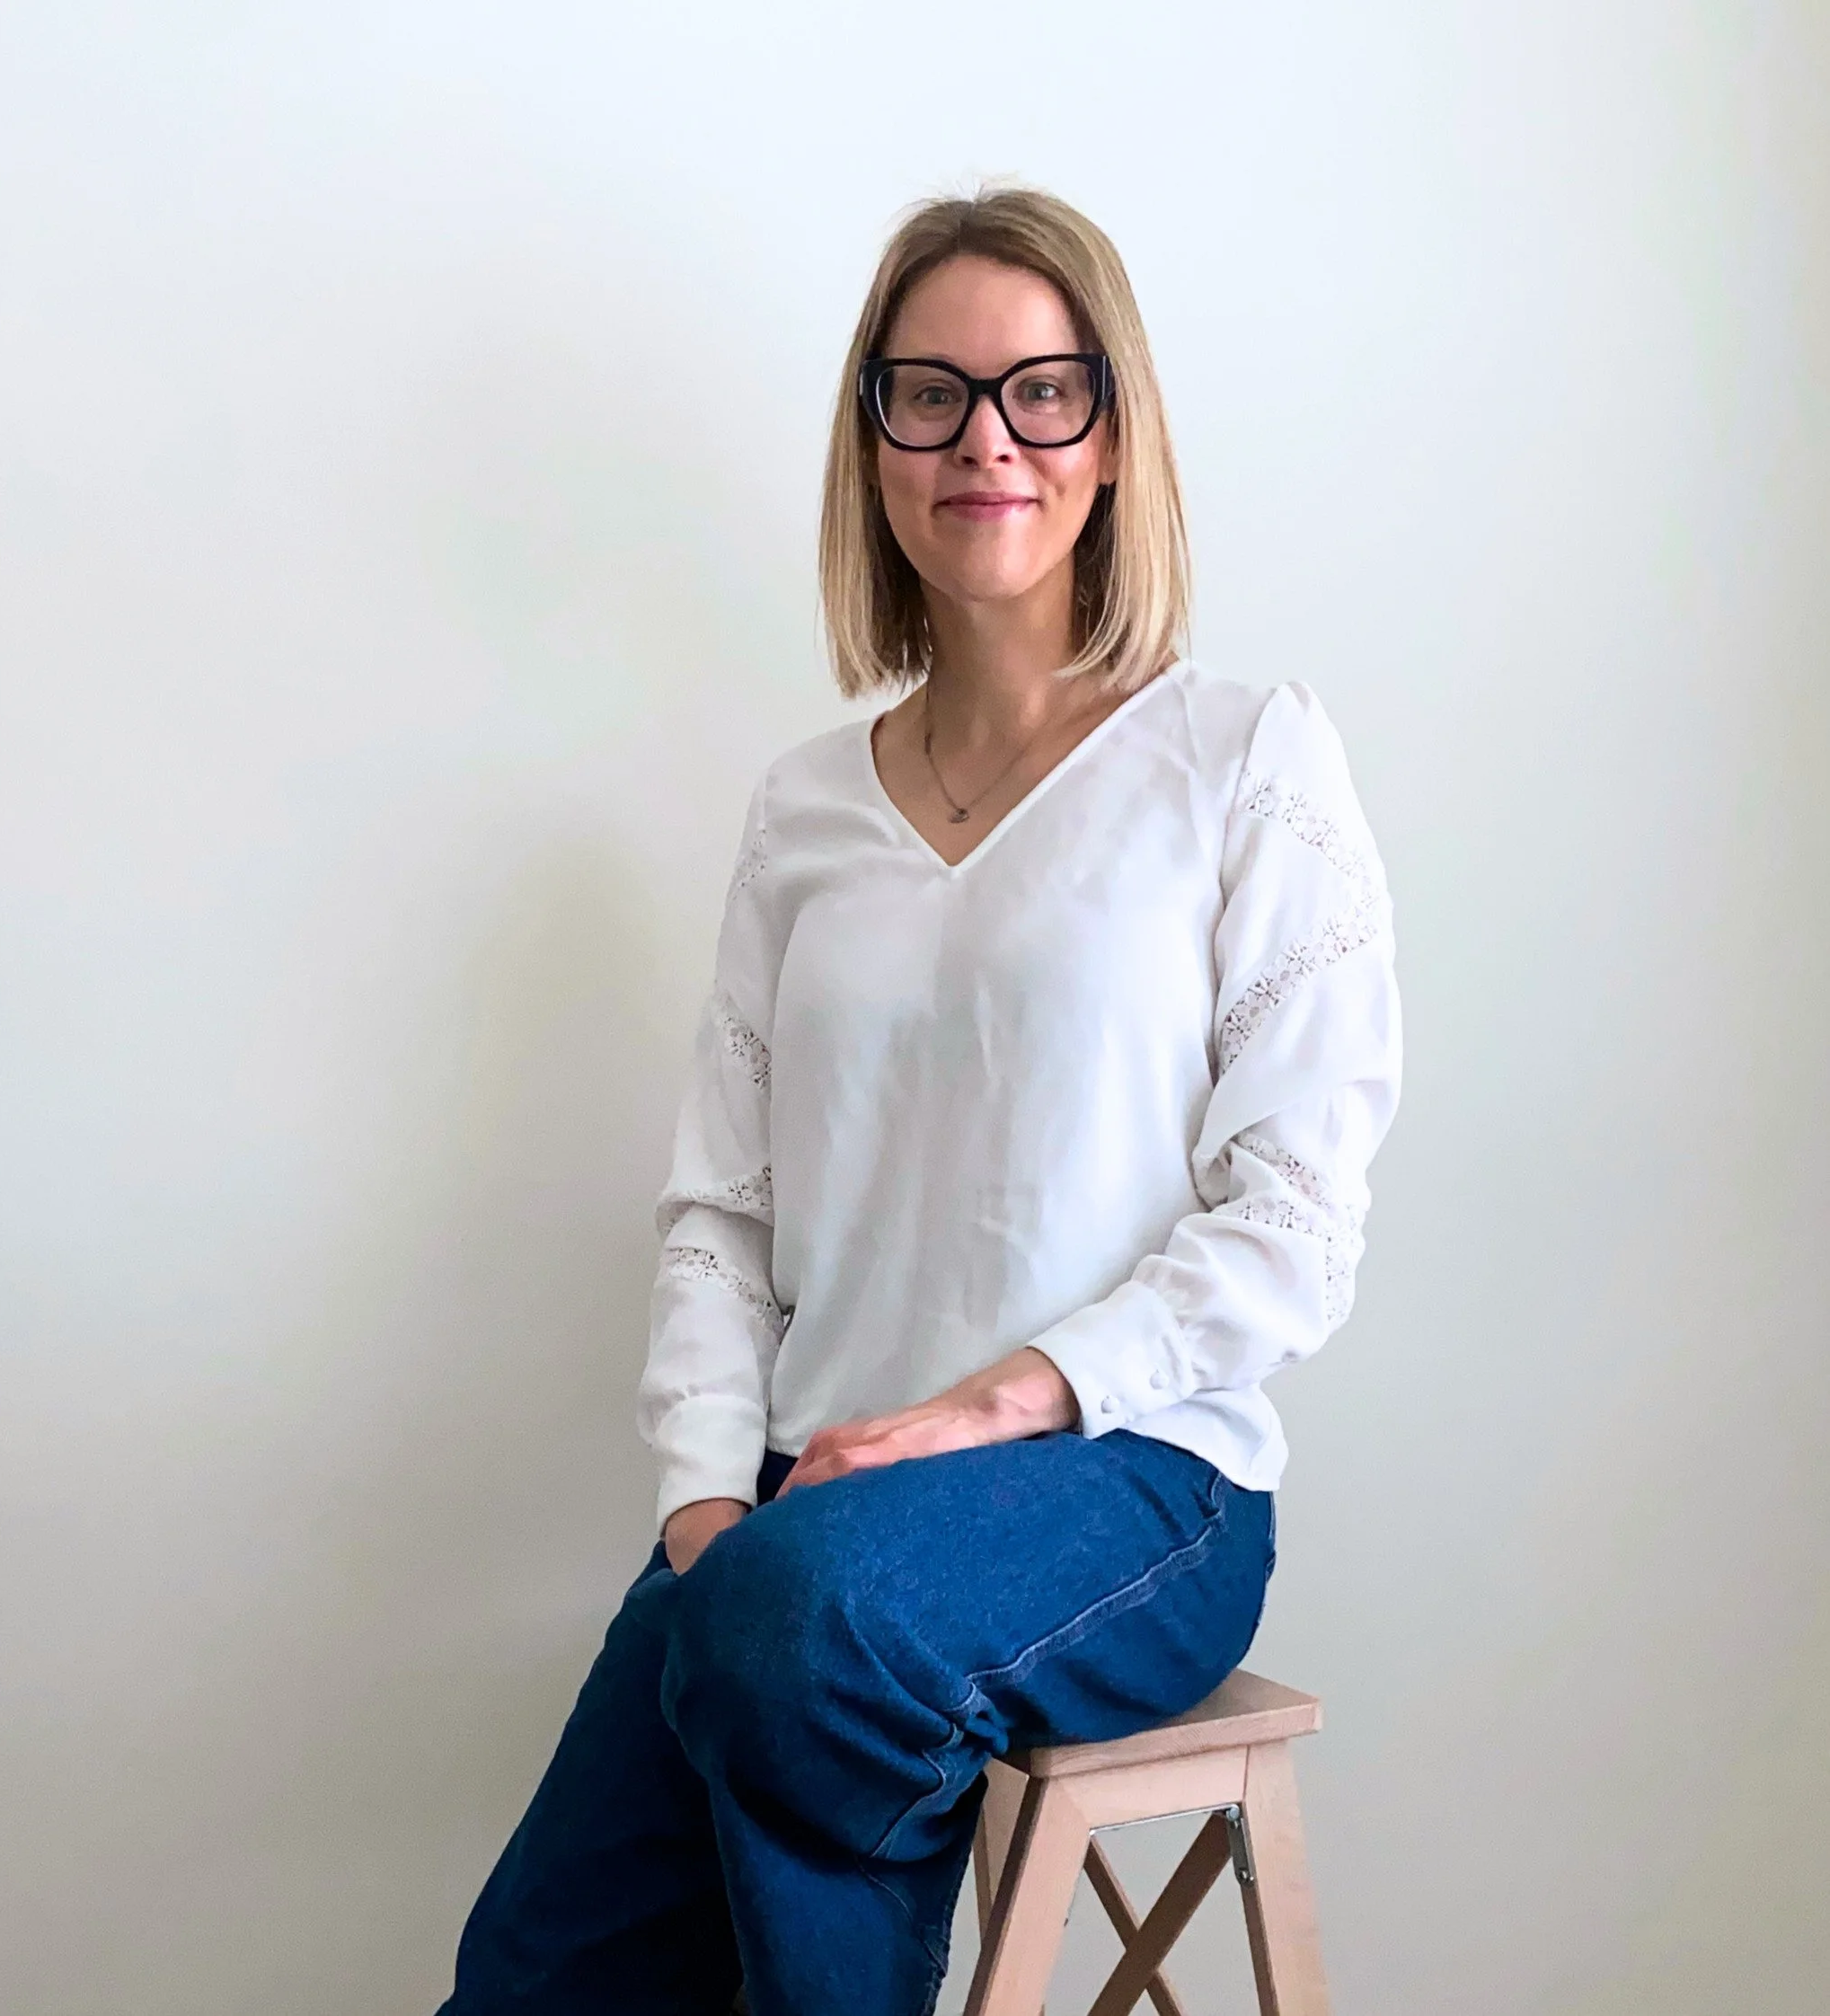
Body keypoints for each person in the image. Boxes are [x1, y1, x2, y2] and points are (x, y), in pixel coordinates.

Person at [435, 185, 1402, 2016]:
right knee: (526, 1979)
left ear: (1115, 436)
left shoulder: (1245, 761)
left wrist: (999, 1402)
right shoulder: (805, 811)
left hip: (1137, 1481)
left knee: (802, 1642)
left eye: (1042, 392)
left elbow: (1295, 1219)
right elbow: (725, 1209)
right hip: (810, 1520)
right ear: (870, 440)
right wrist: (707, 1502)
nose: (985, 441)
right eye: (928, 393)